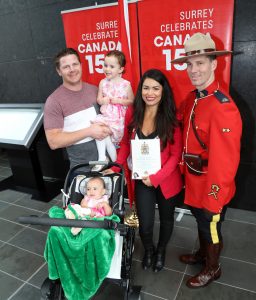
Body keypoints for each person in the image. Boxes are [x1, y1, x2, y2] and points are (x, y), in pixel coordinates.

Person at [171, 32, 242, 288]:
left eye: (200, 63)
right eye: (189, 64)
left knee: (211, 227)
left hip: (210, 185)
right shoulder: (193, 98)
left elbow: (226, 162)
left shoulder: (223, 106)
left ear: (214, 63)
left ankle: (213, 268)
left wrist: (215, 196)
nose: (193, 69)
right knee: (201, 224)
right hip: (193, 179)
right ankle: (202, 255)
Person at [104, 69, 183, 272]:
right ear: (140, 90)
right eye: (146, 88)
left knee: (166, 220)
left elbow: (175, 156)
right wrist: (116, 166)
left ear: (163, 91)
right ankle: (149, 249)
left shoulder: (172, 117)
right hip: (141, 178)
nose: (150, 93)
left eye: (156, 88)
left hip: (166, 181)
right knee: (145, 223)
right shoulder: (134, 112)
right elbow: (125, 143)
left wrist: (156, 178)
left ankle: (161, 250)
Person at [43, 48, 111, 172]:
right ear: (59, 71)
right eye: (66, 67)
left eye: (75, 64)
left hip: (109, 166)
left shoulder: (95, 90)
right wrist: (89, 131)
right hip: (82, 170)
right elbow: (53, 142)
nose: (72, 69)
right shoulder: (54, 101)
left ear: (81, 65)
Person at [92, 50, 134, 171]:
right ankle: (103, 158)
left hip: (119, 118)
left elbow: (132, 101)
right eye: (105, 65)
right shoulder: (102, 82)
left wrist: (119, 101)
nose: (107, 69)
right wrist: (103, 100)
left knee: (107, 137)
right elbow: (99, 99)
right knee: (99, 131)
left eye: (111, 66)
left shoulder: (126, 84)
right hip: (106, 115)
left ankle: (115, 161)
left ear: (120, 69)